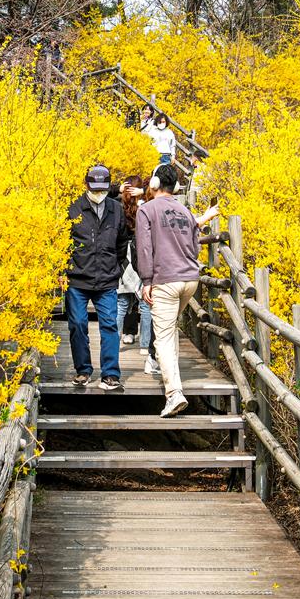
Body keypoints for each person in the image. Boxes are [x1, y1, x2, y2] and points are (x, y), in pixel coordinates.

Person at [136, 163, 203, 417]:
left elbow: (144, 248)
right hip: (190, 279)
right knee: (170, 328)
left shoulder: (147, 210)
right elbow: (196, 247)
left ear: (154, 184)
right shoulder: (185, 211)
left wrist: (146, 280)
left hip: (165, 280)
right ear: (174, 187)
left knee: (162, 336)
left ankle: (174, 393)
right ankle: (173, 379)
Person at [66, 165, 130, 391]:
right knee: (77, 324)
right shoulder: (74, 207)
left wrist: (117, 266)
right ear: (86, 185)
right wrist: (63, 270)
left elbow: (122, 241)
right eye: (95, 189)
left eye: (103, 189)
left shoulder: (116, 209)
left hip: (107, 279)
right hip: (77, 278)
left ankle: (110, 374)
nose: (99, 193)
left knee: (110, 325)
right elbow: (63, 240)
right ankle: (83, 370)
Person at [115, 175, 151, 351]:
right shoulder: (146, 207)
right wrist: (144, 194)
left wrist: (118, 190)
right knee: (145, 304)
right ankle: (145, 346)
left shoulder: (117, 207)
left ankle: (114, 343)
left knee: (121, 304)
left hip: (124, 257)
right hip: (142, 255)